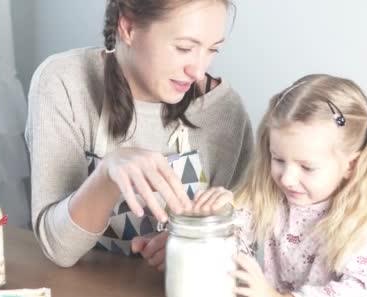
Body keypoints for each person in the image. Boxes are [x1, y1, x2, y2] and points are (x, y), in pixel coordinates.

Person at [25, 0, 253, 270]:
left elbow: (246, 238)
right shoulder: (64, 82)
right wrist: (106, 174)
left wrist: (196, 242)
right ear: (128, 27)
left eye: (212, 50)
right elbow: (59, 249)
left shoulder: (222, 110)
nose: (198, 70)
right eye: (184, 48)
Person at [204, 74, 367, 297]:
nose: (287, 178)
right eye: (278, 159)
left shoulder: (363, 219)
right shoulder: (271, 195)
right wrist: (217, 220)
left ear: (351, 165)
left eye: (307, 167)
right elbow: (234, 245)